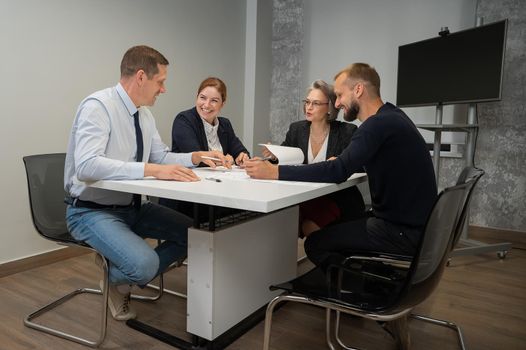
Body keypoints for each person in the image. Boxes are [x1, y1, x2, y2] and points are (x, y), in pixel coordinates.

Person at [64, 45, 227, 321]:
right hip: (91, 210)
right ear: (141, 77)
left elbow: (160, 156)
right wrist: (151, 170)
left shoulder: (144, 115)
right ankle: (122, 273)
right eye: (160, 81)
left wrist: (196, 156)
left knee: (197, 237)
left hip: (133, 208)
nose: (163, 89)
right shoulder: (98, 107)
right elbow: (87, 166)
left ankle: (118, 275)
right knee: (144, 264)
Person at [245, 63, 437, 269]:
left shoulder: (375, 125)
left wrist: (275, 172)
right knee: (339, 222)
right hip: (418, 226)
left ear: (358, 90)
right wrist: (344, 160)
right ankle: (370, 276)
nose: (336, 104)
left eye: (339, 95)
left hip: (401, 231)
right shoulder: (392, 116)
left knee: (316, 244)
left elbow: (337, 172)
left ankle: (362, 286)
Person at [262, 80, 365, 237]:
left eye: (315, 103)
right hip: (303, 196)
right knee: (278, 219)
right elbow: (285, 159)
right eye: (307, 102)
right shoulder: (296, 129)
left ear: (329, 107)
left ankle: (327, 258)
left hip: (336, 198)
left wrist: (338, 163)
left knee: (308, 225)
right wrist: (275, 156)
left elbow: (358, 167)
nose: (308, 107)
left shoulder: (347, 131)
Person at [160, 77, 250, 219]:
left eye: (214, 100)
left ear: (222, 104)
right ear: (197, 97)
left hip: (216, 192)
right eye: (202, 98)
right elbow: (199, 158)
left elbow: (240, 149)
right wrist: (228, 160)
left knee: (246, 213)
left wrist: (242, 156)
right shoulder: (184, 120)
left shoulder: (225, 124)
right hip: (187, 197)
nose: (206, 105)